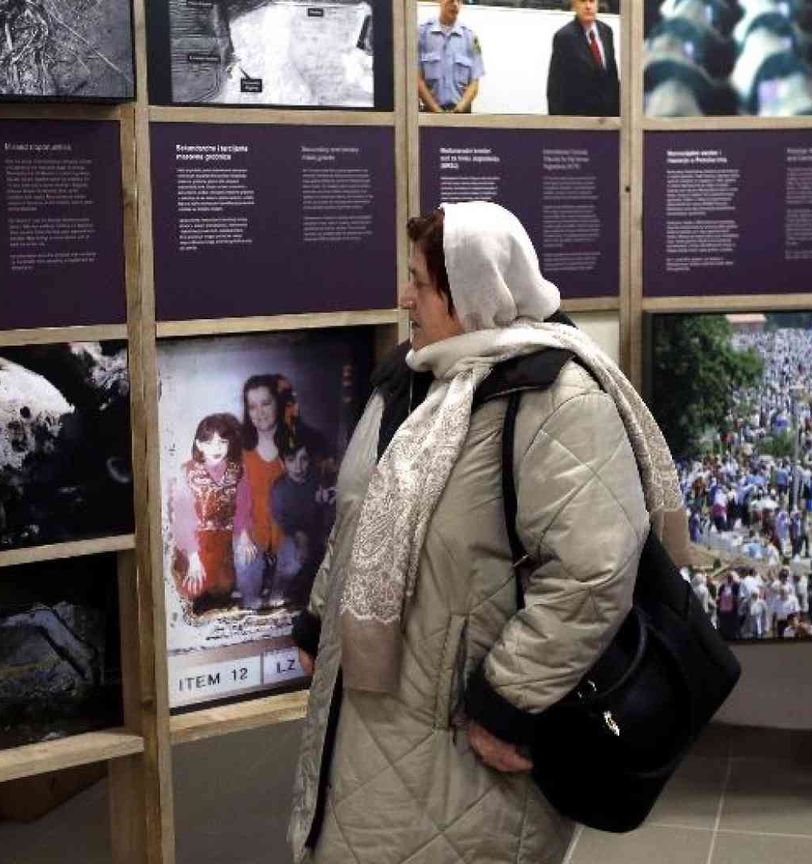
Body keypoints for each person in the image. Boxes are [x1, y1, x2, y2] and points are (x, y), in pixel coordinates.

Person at [289, 201, 684, 862]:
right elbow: (359, 518)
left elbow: (594, 571)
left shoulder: (558, 400)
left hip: (465, 751)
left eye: (419, 281)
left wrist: (509, 701)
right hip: (365, 726)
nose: (402, 296)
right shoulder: (409, 381)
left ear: (471, 293)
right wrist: (321, 617)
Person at [167, 413, 258, 612]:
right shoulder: (186, 473)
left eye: (222, 442)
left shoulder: (238, 470)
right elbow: (182, 519)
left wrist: (243, 535)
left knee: (224, 587)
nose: (216, 449)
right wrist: (193, 558)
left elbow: (244, 506)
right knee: (193, 588)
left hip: (224, 539)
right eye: (209, 442)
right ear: (199, 445)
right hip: (194, 542)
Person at [240, 375, 290, 610]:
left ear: (278, 404)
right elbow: (238, 504)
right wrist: (243, 535)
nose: (259, 412)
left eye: (266, 403)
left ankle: (278, 588)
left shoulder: (294, 446)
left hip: (286, 532)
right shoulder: (242, 453)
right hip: (253, 532)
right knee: (246, 564)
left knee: (294, 560)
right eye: (252, 406)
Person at [270, 439, 330, 607]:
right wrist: (300, 537)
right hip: (291, 534)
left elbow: (324, 517)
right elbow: (282, 519)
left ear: (309, 461)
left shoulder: (316, 479)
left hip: (315, 533)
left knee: (328, 555)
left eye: (303, 459)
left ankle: (315, 596)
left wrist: (324, 501)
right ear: (282, 462)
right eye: (291, 460)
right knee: (291, 562)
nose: (298, 467)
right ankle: (278, 590)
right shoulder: (279, 488)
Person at [546, 0, 619, 116]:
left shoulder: (606, 32)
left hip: (608, 119)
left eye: (592, 1)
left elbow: (612, 76)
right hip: (578, 118)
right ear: (574, 5)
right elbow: (555, 86)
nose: (588, 6)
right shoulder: (564, 37)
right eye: (583, 1)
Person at [418, 0, 484, 113]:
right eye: (451, 1)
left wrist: (460, 109)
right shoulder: (422, 34)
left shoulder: (470, 37)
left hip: (461, 115)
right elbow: (417, 79)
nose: (455, 5)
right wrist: (437, 111)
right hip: (429, 115)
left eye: (459, 1)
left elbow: (475, 81)